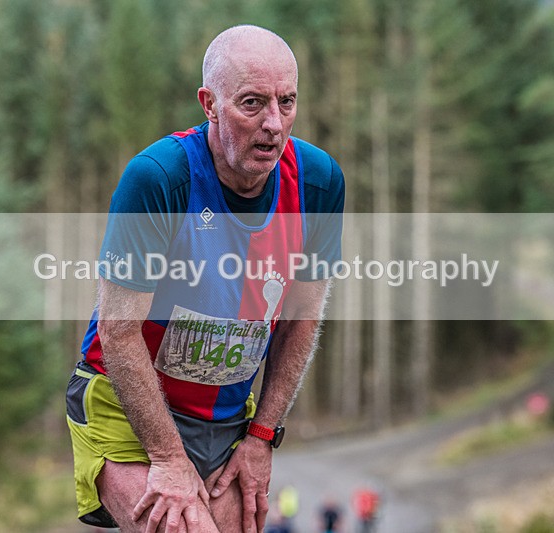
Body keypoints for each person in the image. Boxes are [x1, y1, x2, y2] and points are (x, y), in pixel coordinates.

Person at [65, 24, 345, 533]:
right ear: (209, 103)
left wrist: (262, 437)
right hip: (126, 405)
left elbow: (302, 321)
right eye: (252, 103)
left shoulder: (318, 183)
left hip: (228, 416)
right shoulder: (159, 178)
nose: (274, 124)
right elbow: (119, 330)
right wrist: (169, 459)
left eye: (287, 102)